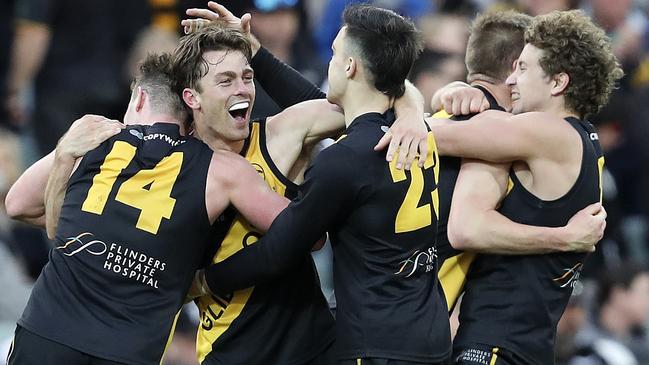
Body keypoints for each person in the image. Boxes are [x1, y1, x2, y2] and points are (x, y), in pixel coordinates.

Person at [195, 5, 453, 364]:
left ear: (350, 67)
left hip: (375, 345)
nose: (328, 62)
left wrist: (202, 282)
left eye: (333, 54)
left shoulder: (343, 161)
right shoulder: (415, 136)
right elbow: (331, 106)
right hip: (431, 335)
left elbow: (278, 252)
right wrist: (410, 107)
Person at [4, 52, 290, 365]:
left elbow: (17, 204)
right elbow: (300, 232)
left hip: (47, 333)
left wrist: (64, 155)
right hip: (129, 350)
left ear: (139, 98)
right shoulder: (221, 168)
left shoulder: (94, 138)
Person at [423, 10, 622, 365]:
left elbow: (431, 137)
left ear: (558, 83)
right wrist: (452, 93)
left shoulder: (548, 133)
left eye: (525, 68)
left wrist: (424, 104)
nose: (511, 79)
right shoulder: (584, 142)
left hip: (495, 347)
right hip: (526, 347)